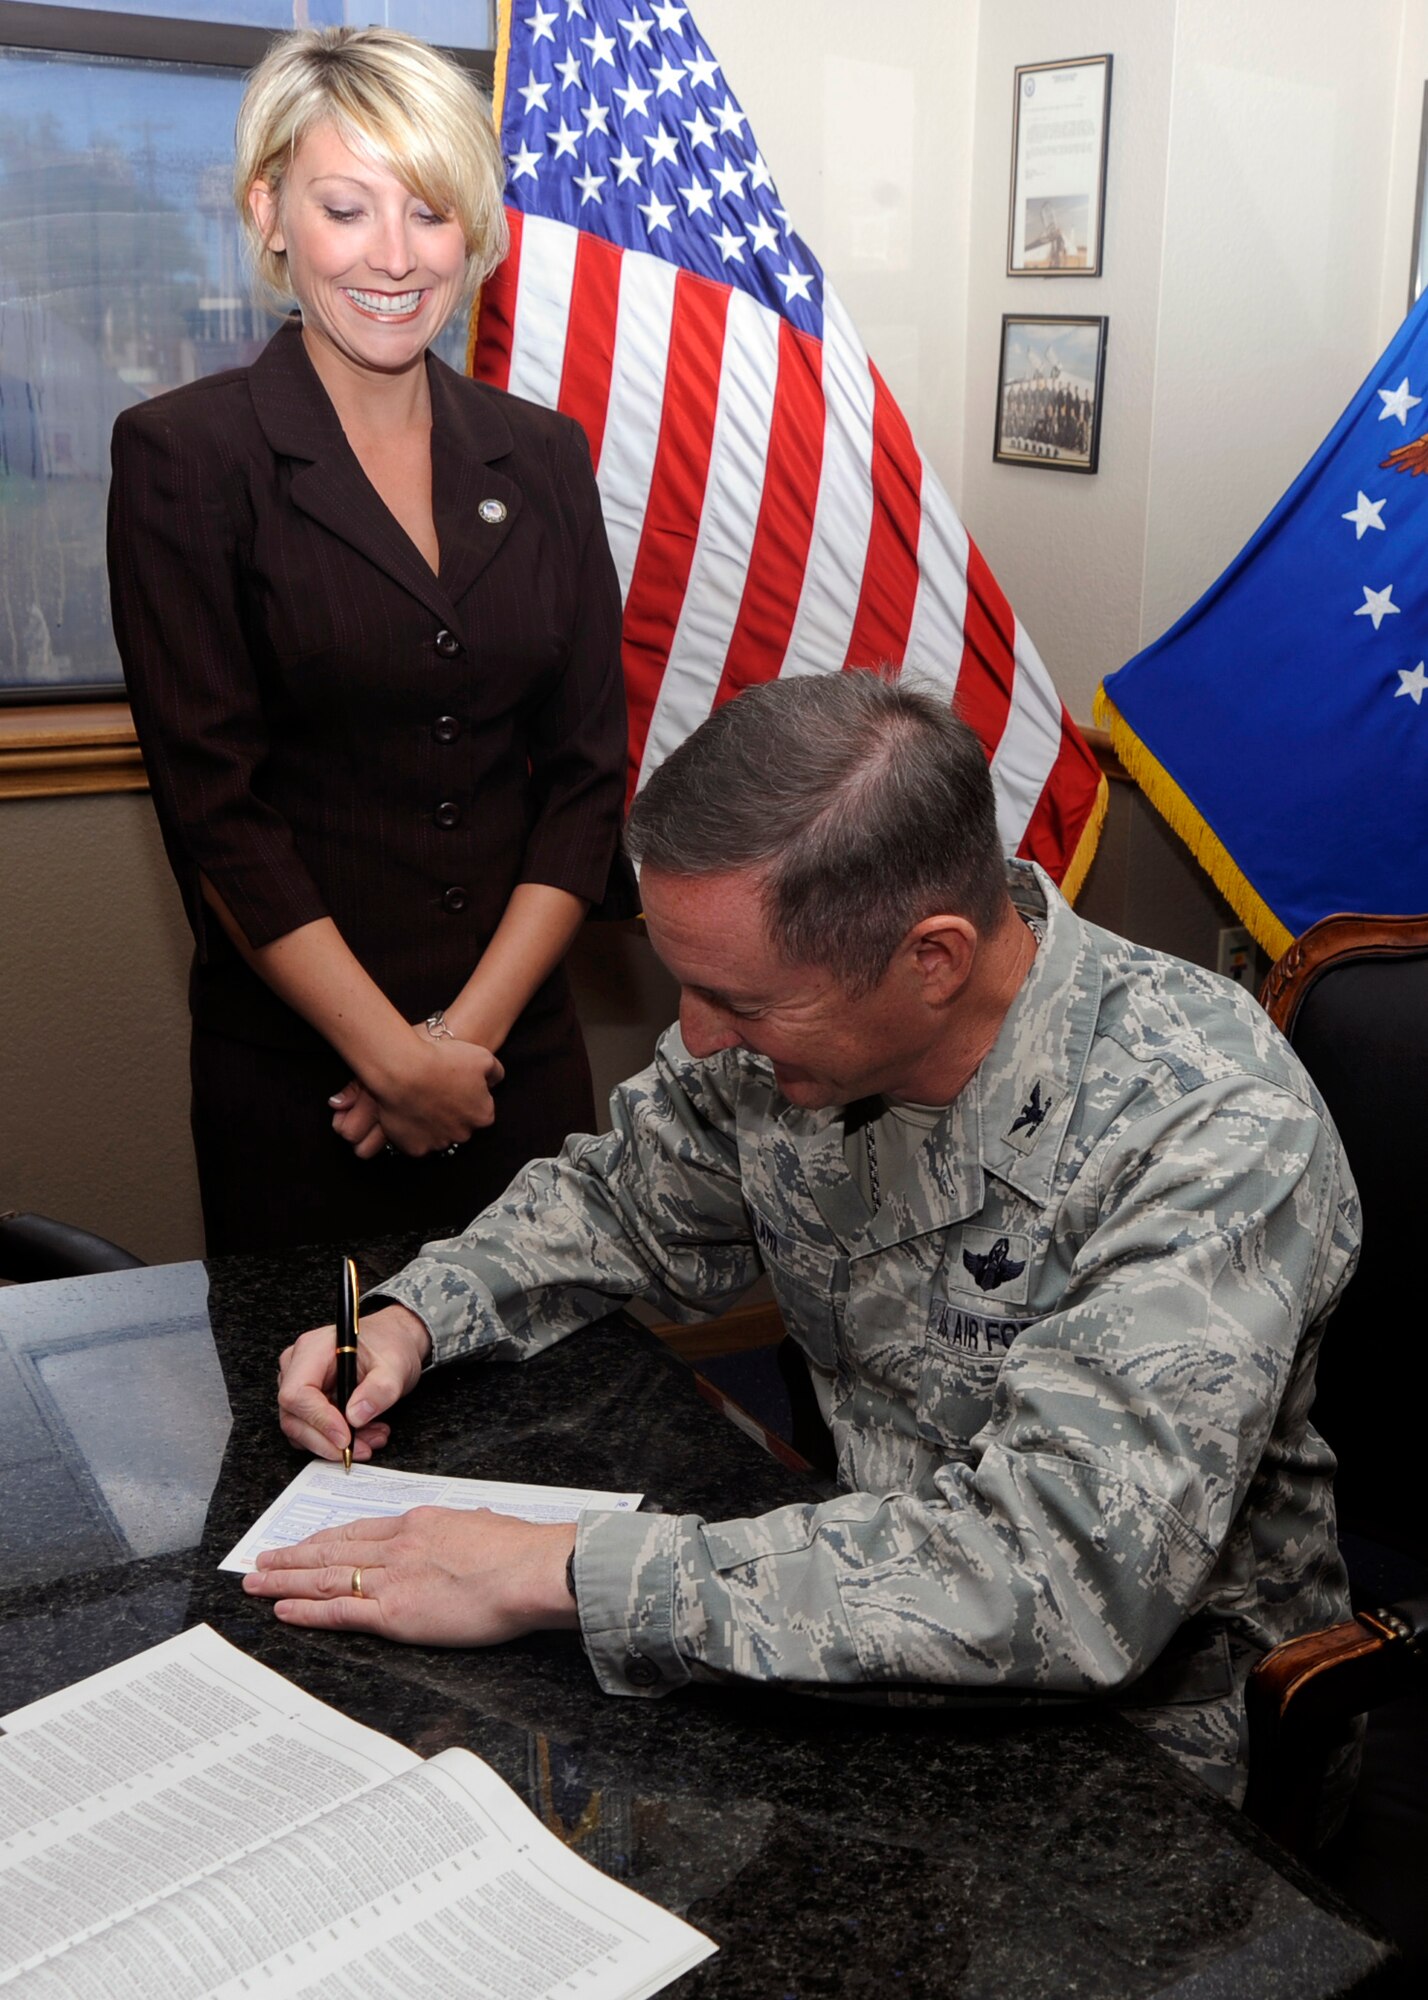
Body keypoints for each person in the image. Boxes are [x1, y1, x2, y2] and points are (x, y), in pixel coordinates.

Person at [255, 671, 1360, 1807]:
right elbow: (620, 1196)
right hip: (840, 1608)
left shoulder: (1205, 1124)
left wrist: (560, 1571)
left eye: (739, 999)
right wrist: (414, 1313)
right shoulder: (785, 1034)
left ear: (931, 959)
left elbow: (1060, 1574)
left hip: (1159, 1746)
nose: (694, 1032)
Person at [108, 27, 633, 1255]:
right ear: (271, 213)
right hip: (306, 1090)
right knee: (321, 1428)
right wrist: (391, 1058)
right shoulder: (187, 455)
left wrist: (457, 1051)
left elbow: (585, 780)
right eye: (347, 209)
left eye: (431, 213)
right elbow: (216, 810)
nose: (394, 258)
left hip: (517, 1068)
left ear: (475, 233)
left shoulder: (544, 454)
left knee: (555, 1425)